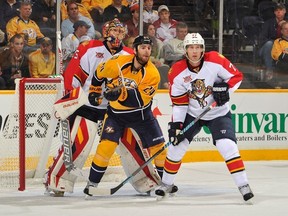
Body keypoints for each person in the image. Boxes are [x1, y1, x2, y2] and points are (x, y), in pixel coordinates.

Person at [154, 33, 254, 202]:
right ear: (185, 50)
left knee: (227, 145)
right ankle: (166, 184)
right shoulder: (177, 71)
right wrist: (176, 125)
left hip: (218, 112)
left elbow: (236, 77)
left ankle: (244, 185)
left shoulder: (215, 60)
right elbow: (179, 103)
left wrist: (225, 91)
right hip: (192, 114)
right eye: (191, 48)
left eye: (198, 47)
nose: (195, 51)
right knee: (176, 147)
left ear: (203, 49)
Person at [45, 18, 134, 196]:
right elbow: (75, 76)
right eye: (114, 31)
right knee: (78, 144)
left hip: (116, 109)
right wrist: (70, 100)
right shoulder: (90, 48)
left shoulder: (130, 55)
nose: (118, 35)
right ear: (107, 32)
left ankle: (145, 180)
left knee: (131, 141)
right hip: (88, 106)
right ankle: (58, 180)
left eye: (120, 32)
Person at [83, 35, 167, 195]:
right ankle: (92, 184)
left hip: (142, 116)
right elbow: (98, 74)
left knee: (159, 150)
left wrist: (120, 94)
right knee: (105, 148)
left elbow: (139, 102)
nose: (146, 51)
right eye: (143, 47)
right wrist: (94, 91)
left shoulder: (152, 74)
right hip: (116, 116)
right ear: (135, 50)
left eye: (149, 48)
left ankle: (165, 183)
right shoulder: (117, 63)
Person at [259, 3, 287, 80]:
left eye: (281, 10)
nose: (278, 12)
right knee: (269, 44)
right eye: (276, 10)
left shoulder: (287, 24)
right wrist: (275, 43)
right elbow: (262, 39)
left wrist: (284, 27)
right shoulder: (268, 23)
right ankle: (269, 70)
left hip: (283, 48)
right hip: (267, 49)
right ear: (274, 12)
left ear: (284, 11)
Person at [143, 22, 169, 89]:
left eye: (154, 29)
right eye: (150, 29)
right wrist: (154, 61)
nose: (153, 31)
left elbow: (162, 56)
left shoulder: (159, 42)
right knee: (156, 69)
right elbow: (142, 55)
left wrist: (160, 62)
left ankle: (166, 86)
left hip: (157, 63)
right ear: (146, 30)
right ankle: (164, 85)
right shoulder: (142, 41)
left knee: (166, 68)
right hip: (146, 63)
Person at [271, 21, 288, 87]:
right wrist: (284, 55)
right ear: (281, 31)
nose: (287, 31)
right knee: (282, 63)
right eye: (285, 29)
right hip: (283, 65)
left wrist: (285, 54)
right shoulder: (278, 42)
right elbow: (279, 56)